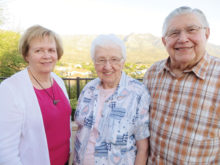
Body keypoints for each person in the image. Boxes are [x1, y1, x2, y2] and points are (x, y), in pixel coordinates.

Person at [143, 6, 220, 164]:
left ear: (206, 34)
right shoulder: (152, 74)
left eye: (192, 29)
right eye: (174, 33)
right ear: (165, 41)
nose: (183, 38)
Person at [0, 25, 72, 165]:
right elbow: (5, 151)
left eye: (51, 50)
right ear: (27, 55)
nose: (47, 56)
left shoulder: (57, 80)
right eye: (38, 50)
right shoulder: (10, 89)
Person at [73, 34, 150, 165]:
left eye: (114, 59)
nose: (108, 66)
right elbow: (81, 132)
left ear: (123, 62)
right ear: (94, 62)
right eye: (101, 60)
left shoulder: (138, 93)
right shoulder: (88, 89)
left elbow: (143, 148)